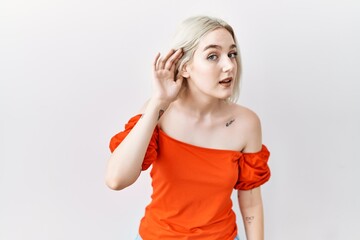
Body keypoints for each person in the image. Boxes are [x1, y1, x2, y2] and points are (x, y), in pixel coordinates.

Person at [106, 15, 271, 240]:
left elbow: (251, 203)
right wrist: (158, 103)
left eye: (232, 54)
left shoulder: (247, 123)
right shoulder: (159, 114)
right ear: (185, 67)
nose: (229, 65)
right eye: (213, 56)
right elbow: (116, 179)